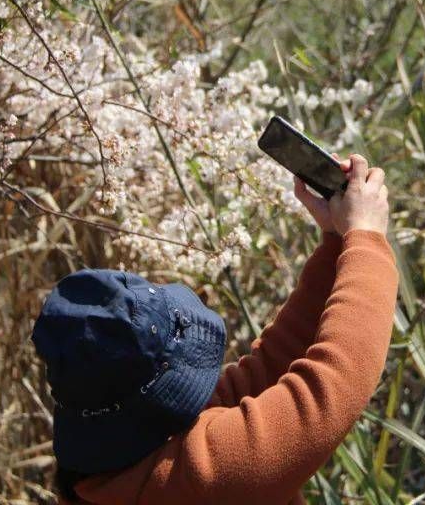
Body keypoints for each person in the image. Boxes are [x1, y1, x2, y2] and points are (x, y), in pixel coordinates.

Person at [31, 153, 396, 504]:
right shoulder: (206, 480)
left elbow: (265, 372)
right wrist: (366, 239)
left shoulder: (116, 465)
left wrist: (337, 244)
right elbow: (336, 382)